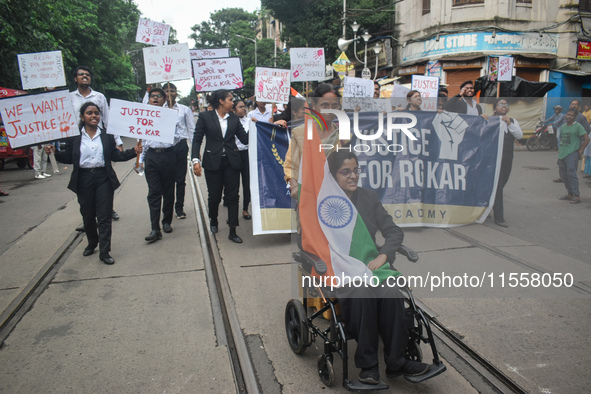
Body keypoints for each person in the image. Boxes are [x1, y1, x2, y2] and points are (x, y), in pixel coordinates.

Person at [326, 150, 430, 384]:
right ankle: (369, 366)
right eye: (345, 172)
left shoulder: (368, 197)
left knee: (392, 292)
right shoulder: (324, 203)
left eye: (356, 170)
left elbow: (393, 231)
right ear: (333, 175)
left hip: (372, 266)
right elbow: (308, 241)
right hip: (342, 271)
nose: (353, 176)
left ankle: (396, 361)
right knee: (361, 292)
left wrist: (384, 254)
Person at [46, 102, 141, 265]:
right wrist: (55, 153)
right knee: (88, 215)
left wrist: (134, 152)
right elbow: (69, 158)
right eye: (89, 113)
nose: (94, 116)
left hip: (103, 177)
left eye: (96, 113)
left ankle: (105, 251)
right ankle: (92, 242)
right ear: (82, 117)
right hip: (83, 179)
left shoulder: (107, 136)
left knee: (104, 216)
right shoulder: (74, 137)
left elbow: (115, 156)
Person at [191, 90, 249, 243]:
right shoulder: (205, 117)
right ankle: (213, 220)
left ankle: (233, 230)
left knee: (233, 196)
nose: (233, 102)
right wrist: (195, 160)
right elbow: (197, 139)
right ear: (222, 101)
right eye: (231, 100)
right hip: (213, 162)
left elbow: (245, 139)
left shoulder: (234, 119)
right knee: (215, 196)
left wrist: (266, 126)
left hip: (232, 162)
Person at [69, 66, 122, 222]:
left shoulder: (99, 97)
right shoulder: (69, 98)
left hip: (100, 140)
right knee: (83, 180)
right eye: (81, 75)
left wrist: (117, 141)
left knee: (105, 174)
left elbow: (108, 119)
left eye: (87, 74)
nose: (85, 77)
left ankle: (107, 209)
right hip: (79, 141)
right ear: (75, 78)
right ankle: (88, 217)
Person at [284, 84, 344, 200]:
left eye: (334, 105)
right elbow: (291, 165)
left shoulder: (344, 136)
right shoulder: (300, 133)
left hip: (336, 199)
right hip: (307, 197)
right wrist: (295, 185)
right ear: (315, 105)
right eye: (325, 105)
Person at [139, 88, 177, 243]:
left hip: (168, 155)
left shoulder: (171, 115)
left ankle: (166, 221)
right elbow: (141, 141)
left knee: (168, 191)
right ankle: (155, 228)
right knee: (154, 192)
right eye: (152, 96)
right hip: (152, 157)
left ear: (164, 99)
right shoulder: (143, 117)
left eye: (158, 96)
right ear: (148, 100)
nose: (155, 99)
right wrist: (140, 160)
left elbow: (178, 136)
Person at [162, 82, 196, 220]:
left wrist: (195, 150)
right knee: (167, 179)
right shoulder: (158, 110)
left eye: (172, 90)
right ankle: (167, 207)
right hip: (166, 147)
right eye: (167, 91)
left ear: (176, 93)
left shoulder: (184, 109)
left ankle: (179, 207)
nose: (170, 93)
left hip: (181, 146)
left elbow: (192, 130)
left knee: (180, 179)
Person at [491, 99, 523, 227]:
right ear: (494, 108)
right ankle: (499, 217)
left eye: (506, 104)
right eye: (501, 104)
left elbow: (519, 136)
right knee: (497, 187)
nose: (504, 106)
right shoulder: (490, 120)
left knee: (502, 183)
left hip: (507, 158)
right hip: (492, 159)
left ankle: (486, 207)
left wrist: (509, 123)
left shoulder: (513, 122)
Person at [557, 109, 590, 204]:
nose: (569, 117)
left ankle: (576, 195)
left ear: (575, 117)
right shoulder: (563, 126)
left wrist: (580, 150)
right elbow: (562, 140)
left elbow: (587, 139)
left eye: (571, 115)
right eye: (568, 114)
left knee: (571, 174)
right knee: (564, 175)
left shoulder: (578, 126)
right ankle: (570, 194)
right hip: (562, 154)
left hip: (572, 154)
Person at [554, 99, 590, 182]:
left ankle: (571, 182)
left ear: (579, 107)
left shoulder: (581, 117)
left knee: (571, 163)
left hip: (574, 144)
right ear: (570, 106)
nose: (574, 106)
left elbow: (587, 130)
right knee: (561, 162)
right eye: (572, 104)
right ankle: (562, 177)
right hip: (565, 143)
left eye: (576, 104)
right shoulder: (566, 116)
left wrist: (578, 137)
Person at [233, 99, 252, 220]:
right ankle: (232, 208)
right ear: (234, 109)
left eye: (244, 106)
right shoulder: (229, 121)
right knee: (233, 185)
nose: (243, 109)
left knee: (247, 183)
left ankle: (245, 208)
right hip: (234, 155)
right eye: (240, 107)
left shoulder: (250, 121)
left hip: (247, 154)